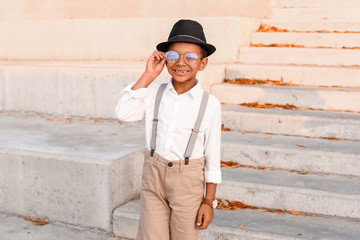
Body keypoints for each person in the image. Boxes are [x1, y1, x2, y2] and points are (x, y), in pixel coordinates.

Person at [115, 19, 221, 240]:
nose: (181, 63)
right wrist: (148, 75)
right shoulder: (153, 92)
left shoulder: (209, 104)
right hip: (153, 175)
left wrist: (208, 201)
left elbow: (213, 155)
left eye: (190, 57)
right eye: (173, 56)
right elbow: (124, 113)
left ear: (203, 63)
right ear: (164, 59)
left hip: (188, 182)